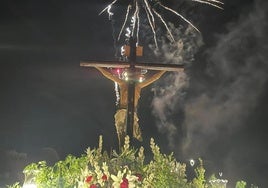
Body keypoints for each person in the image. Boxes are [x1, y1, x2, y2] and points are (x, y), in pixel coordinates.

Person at [94, 66, 166, 147]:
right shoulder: (125, 83)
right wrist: (97, 67)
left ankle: (134, 152)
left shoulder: (136, 85)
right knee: (122, 135)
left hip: (130, 112)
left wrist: (165, 70)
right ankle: (124, 153)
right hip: (122, 111)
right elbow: (108, 75)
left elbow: (154, 78)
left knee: (134, 135)